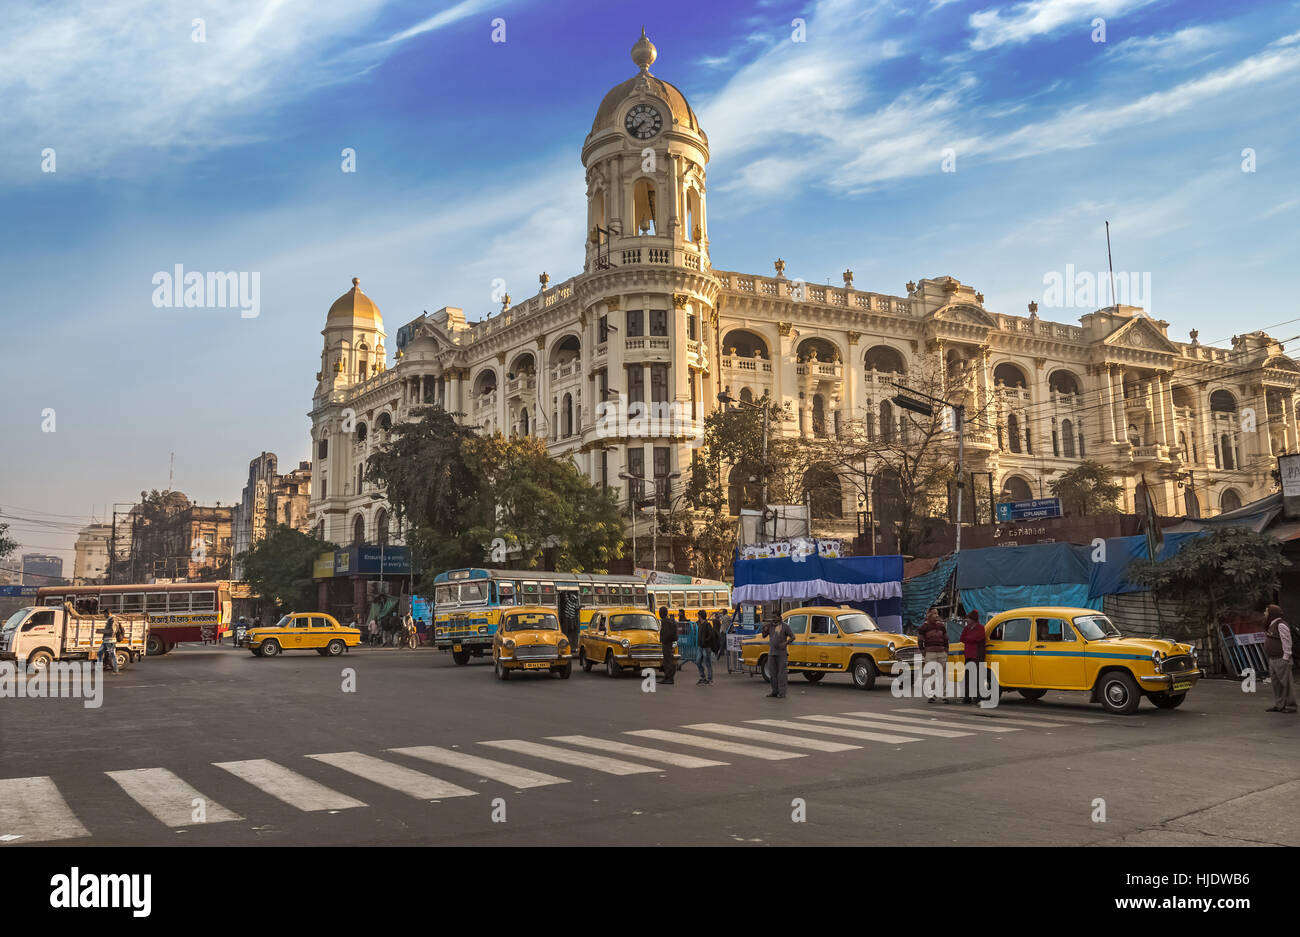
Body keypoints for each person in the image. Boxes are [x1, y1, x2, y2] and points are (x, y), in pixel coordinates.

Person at [1263, 604, 1296, 713]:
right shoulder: (1271, 624)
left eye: (1266, 611)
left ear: (1272, 613)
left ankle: (1290, 706)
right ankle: (1280, 704)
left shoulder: (1281, 625)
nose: (1265, 613)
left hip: (1281, 659)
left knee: (1286, 683)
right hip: (1273, 659)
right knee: (1276, 684)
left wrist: (1286, 657)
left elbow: (1287, 641)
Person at [918, 608, 950, 703]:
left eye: (937, 613)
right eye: (934, 613)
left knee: (943, 674)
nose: (936, 615)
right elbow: (920, 640)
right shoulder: (924, 627)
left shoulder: (941, 626)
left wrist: (946, 650)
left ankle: (944, 696)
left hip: (941, 652)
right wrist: (923, 651)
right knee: (931, 675)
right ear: (929, 615)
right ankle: (932, 695)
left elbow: (946, 639)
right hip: (930, 653)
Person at [761, 610, 795, 698]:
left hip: (782, 653)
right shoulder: (770, 626)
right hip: (772, 653)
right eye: (772, 617)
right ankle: (774, 691)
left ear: (779, 617)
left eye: (775, 617)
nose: (773, 619)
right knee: (773, 674)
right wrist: (763, 629)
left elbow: (793, 637)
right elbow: (764, 636)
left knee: (781, 674)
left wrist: (785, 643)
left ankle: (782, 692)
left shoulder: (785, 626)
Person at [960, 610, 987, 704]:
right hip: (968, 655)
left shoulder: (980, 628)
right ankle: (967, 697)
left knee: (977, 677)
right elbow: (962, 638)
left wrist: (969, 639)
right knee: (967, 677)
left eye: (968, 618)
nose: (966, 620)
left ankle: (977, 697)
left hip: (977, 656)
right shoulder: (967, 628)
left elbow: (978, 638)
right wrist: (970, 639)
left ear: (973, 619)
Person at [657, 605, 677, 684]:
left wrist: (664, 640)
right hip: (669, 643)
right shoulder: (668, 621)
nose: (659, 614)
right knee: (668, 660)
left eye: (660, 612)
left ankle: (669, 678)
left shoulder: (665, 622)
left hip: (666, 643)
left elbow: (666, 633)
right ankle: (667, 677)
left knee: (667, 661)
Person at [695, 610, 715, 686]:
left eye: (698, 615)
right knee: (698, 661)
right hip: (700, 646)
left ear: (700, 616)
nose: (697, 616)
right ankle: (703, 677)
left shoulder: (707, 625)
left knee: (707, 663)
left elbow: (711, 635)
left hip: (706, 647)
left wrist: (705, 641)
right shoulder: (699, 624)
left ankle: (710, 679)